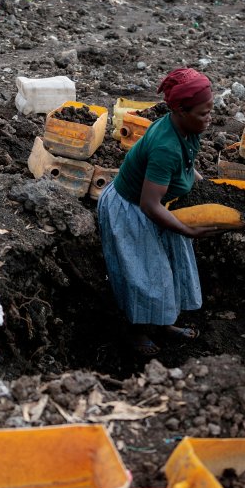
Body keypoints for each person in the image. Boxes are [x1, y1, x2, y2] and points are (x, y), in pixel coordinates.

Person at [98, 68, 217, 356]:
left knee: (170, 269)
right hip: (132, 210)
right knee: (147, 276)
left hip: (157, 206)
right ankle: (135, 331)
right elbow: (149, 205)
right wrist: (188, 230)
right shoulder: (165, 146)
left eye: (210, 110)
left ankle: (162, 323)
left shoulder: (187, 129)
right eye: (203, 113)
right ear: (179, 110)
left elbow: (187, 166)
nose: (209, 118)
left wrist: (210, 189)